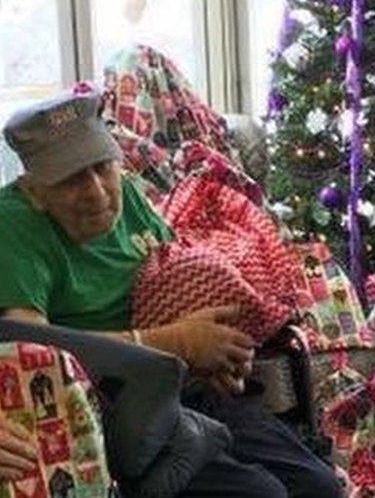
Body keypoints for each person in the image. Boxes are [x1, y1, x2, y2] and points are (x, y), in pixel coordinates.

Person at [0, 90, 342, 496]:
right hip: (118, 408)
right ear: (34, 190)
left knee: (319, 486)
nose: (96, 190)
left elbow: (173, 274)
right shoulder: (13, 226)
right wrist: (174, 342)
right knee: (263, 494)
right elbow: (31, 357)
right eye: (71, 179)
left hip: (187, 386)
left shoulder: (125, 193)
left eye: (101, 167)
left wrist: (219, 352)